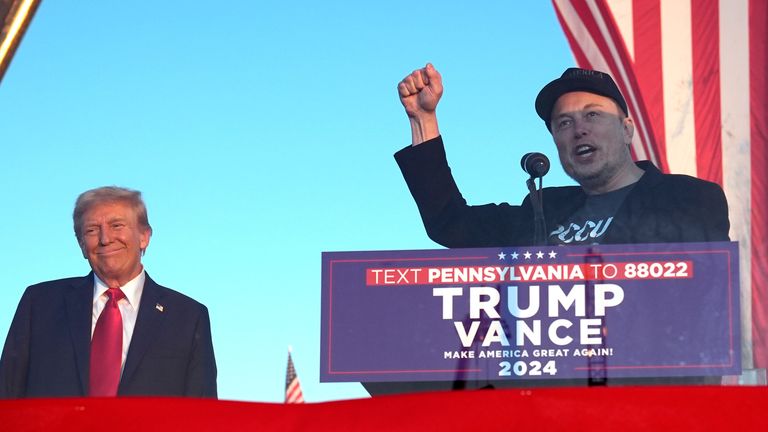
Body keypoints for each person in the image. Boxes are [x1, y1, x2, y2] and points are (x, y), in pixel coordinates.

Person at [394, 64, 730, 247]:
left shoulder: (689, 198)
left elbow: (708, 298)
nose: (578, 129)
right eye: (564, 122)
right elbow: (451, 225)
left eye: (593, 115)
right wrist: (423, 120)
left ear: (627, 130)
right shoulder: (541, 210)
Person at [0, 186, 217, 398]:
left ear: (144, 236)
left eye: (117, 225)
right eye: (92, 230)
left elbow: (202, 412)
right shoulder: (39, 304)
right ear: (82, 245)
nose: (105, 238)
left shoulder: (188, 317)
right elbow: (6, 392)